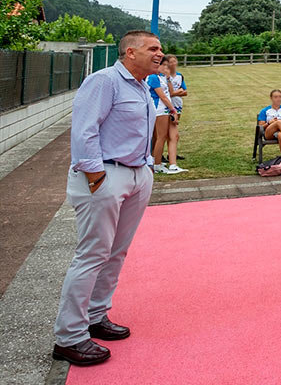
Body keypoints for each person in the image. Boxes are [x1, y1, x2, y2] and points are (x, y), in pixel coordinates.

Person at [52, 30, 160, 366]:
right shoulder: (104, 81)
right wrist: (97, 175)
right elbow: (84, 129)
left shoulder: (142, 87)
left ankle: (96, 316)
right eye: (153, 48)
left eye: (160, 49)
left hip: (135, 174)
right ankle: (69, 337)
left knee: (116, 252)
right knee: (92, 254)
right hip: (105, 176)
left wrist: (147, 169)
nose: (160, 54)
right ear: (131, 52)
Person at [147, 60, 184, 174]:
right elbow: (162, 96)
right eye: (164, 66)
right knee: (161, 137)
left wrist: (167, 78)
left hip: (164, 109)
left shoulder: (161, 77)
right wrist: (172, 109)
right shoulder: (153, 77)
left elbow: (169, 92)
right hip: (159, 109)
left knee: (161, 137)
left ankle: (157, 163)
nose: (166, 69)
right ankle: (157, 165)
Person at [163, 55, 186, 164]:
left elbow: (185, 91)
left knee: (174, 128)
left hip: (178, 104)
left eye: (174, 61)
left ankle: (172, 153)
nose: (173, 63)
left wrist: (178, 92)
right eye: (170, 62)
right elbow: (170, 93)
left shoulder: (180, 76)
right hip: (168, 106)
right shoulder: (164, 77)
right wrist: (178, 92)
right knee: (166, 131)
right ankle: (160, 154)